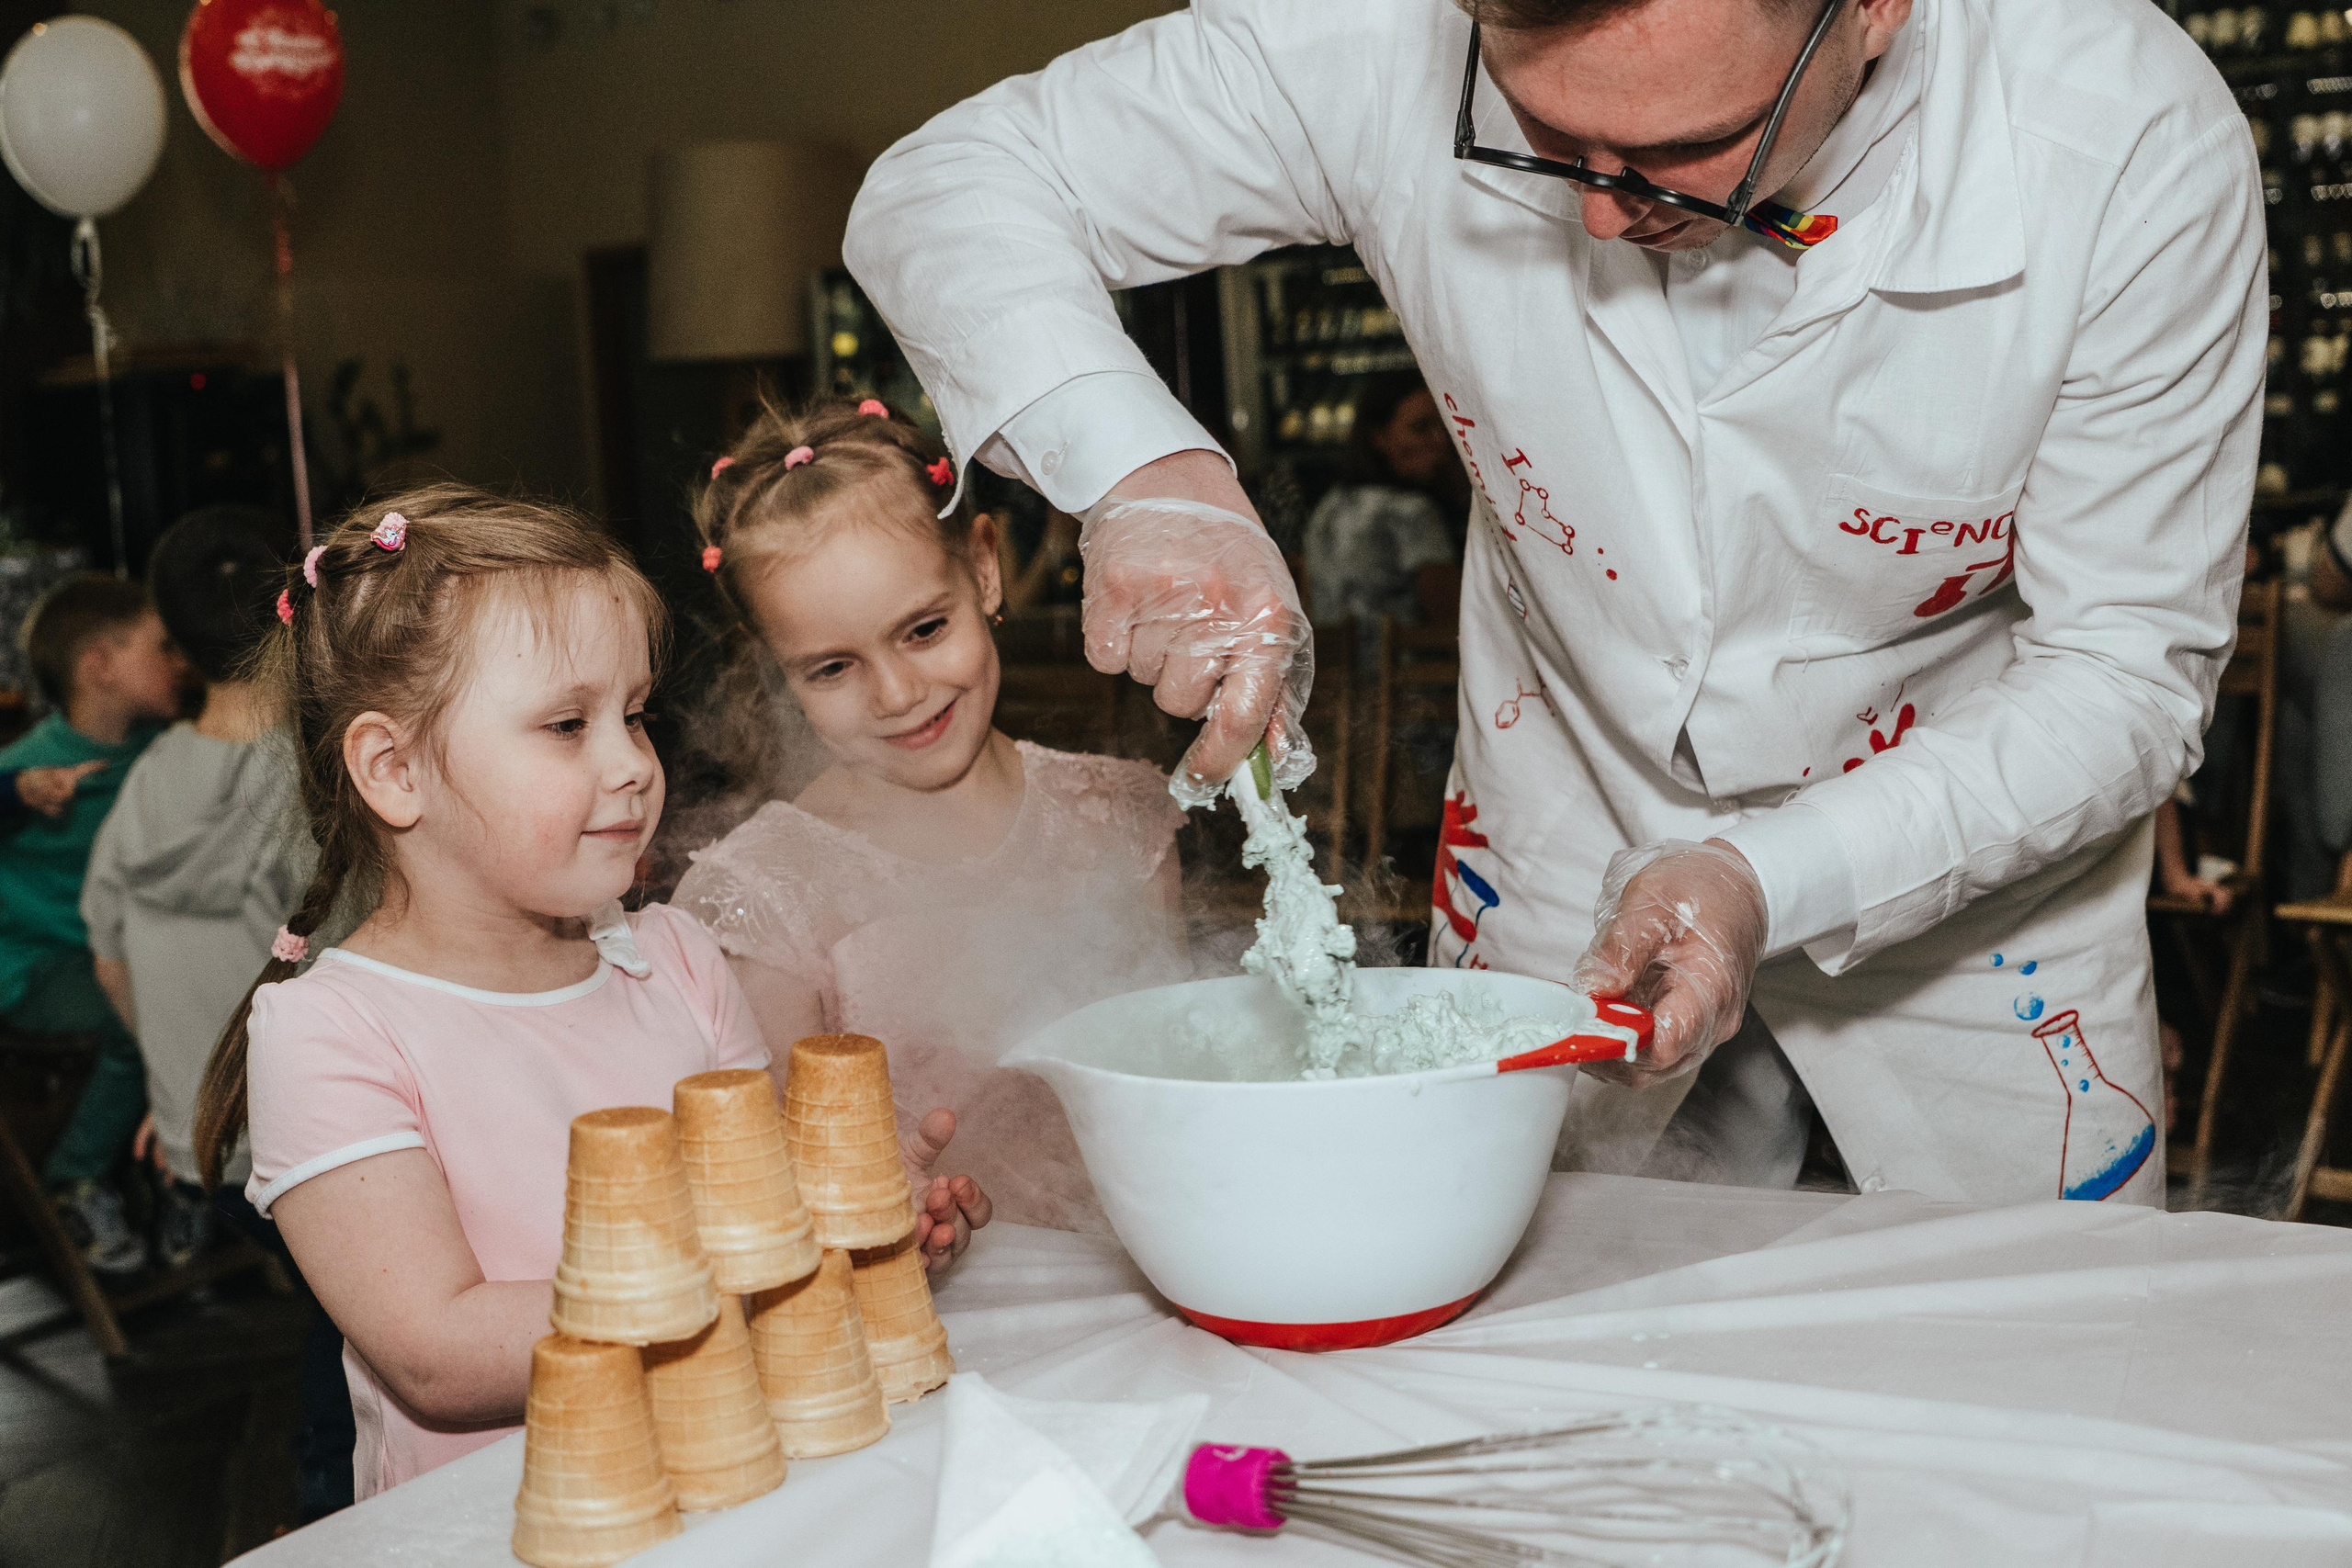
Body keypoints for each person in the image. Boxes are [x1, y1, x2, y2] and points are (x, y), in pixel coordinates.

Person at [845, 0, 2264, 1204]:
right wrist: (1150, 477)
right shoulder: (1386, 37)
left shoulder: (2125, 139)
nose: (1598, 209)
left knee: (2004, 1423)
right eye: (1542, 136)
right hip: (1562, 828)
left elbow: (2124, 675)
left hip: (1974, 901)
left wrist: (1769, 872)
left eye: (1681, 150)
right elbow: (949, 186)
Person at [190, 487, 978, 1501]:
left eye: (634, 716)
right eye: (568, 724)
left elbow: (766, 1216)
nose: (632, 766)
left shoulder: (680, 959)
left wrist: (864, 1226)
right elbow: (437, 1349)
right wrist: (757, 1264)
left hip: (734, 1490)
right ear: (392, 771)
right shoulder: (332, 1030)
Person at [672, 398, 1190, 1235]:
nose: (898, 694)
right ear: (776, 668)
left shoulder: (1119, 822)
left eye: (923, 628)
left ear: (984, 570)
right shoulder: (763, 900)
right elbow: (776, 1202)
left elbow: (1176, 1081)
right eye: (833, 667)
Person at [80, 506, 303, 1265]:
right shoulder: (312, 784)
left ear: (173, 642)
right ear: (291, 610)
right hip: (308, 1141)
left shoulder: (140, 786)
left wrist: (183, 1079)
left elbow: (110, 958)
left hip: (195, 1142)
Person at [0, 575, 187, 1271]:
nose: (177, 662)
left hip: (128, 952)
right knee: (137, 1013)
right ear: (100, 668)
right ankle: (74, 1179)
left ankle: (185, 1173)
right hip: (36, 968)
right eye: (160, 648)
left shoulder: (158, 753)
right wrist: (16, 795)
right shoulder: (26, 767)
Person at [1303, 372, 1465, 657]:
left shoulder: (1329, 506)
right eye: (1421, 428)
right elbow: (1454, 622)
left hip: (1335, 683)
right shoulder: (1411, 512)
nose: (1439, 441)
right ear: (1378, 436)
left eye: (1444, 427)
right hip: (1405, 686)